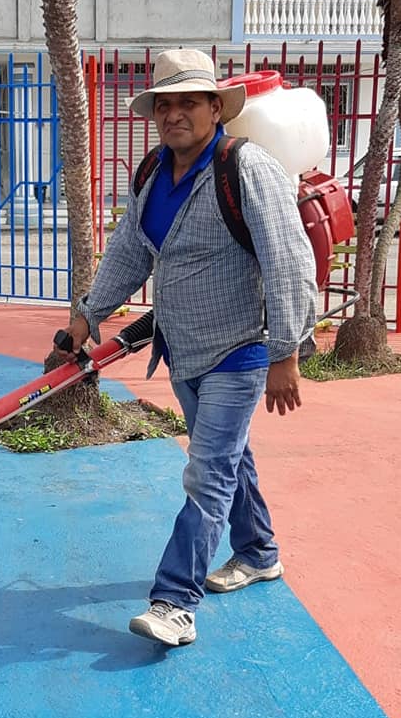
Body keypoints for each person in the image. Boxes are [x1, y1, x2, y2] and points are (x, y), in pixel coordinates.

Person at [55, 48, 318, 647]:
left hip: (240, 350)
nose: (174, 114)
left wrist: (286, 352)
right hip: (182, 350)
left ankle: (174, 601)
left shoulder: (246, 168)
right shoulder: (153, 171)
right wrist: (88, 315)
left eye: (188, 102)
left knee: (207, 473)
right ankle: (259, 552)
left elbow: (288, 261)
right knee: (228, 459)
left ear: (215, 108)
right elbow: (129, 250)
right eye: (164, 105)